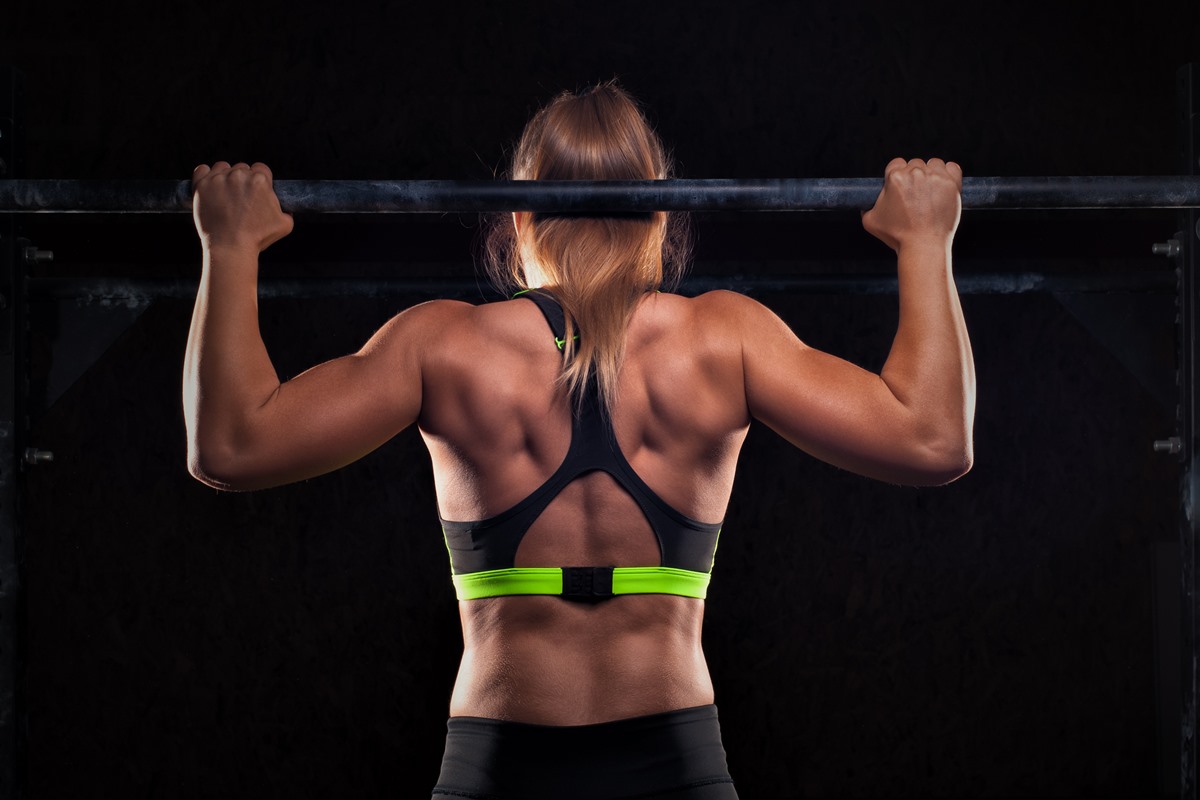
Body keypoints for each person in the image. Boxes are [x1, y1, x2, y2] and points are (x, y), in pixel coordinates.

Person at [184, 82, 974, 800]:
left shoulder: (445, 347)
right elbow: (933, 439)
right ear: (660, 217)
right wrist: (926, 244)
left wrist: (229, 249)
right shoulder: (723, 341)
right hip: (674, 767)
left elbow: (231, 446)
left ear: (520, 220)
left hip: (499, 768)